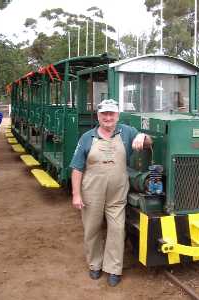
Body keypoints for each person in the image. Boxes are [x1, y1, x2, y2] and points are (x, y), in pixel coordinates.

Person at [70, 99, 152, 287]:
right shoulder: (87, 138)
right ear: (98, 116)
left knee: (117, 229)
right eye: (104, 114)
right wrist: (76, 194)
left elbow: (149, 143)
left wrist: (143, 136)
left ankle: (114, 269)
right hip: (92, 192)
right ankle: (95, 265)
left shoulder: (127, 132)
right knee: (92, 229)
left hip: (117, 193)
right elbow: (76, 168)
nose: (108, 117)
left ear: (117, 116)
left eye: (111, 114)